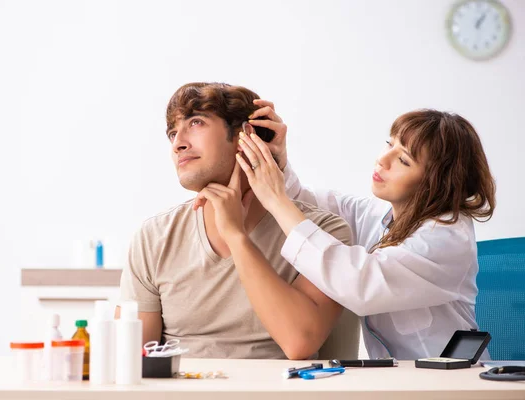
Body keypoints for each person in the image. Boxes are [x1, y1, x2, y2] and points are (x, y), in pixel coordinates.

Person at [215, 102, 496, 360]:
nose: (383, 160)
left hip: (449, 385)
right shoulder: (379, 215)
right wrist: (279, 159)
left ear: (437, 183)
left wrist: (276, 201)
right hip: (396, 384)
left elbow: (360, 284)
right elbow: (308, 204)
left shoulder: (446, 238)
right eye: (390, 144)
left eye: (404, 160)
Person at [117, 83, 353, 360]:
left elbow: (299, 342)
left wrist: (236, 236)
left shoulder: (324, 234)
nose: (178, 143)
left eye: (196, 122)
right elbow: (128, 362)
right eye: (172, 133)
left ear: (246, 137)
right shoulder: (154, 236)